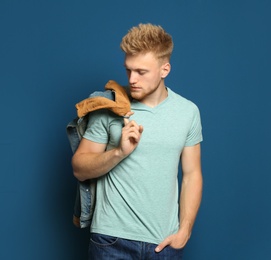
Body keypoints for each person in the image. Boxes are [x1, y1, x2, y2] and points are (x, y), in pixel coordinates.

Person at [72, 23, 203, 259]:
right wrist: (119, 152)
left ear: (165, 69)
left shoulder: (188, 112)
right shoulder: (111, 106)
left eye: (141, 72)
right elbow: (79, 168)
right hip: (111, 241)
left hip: (164, 244)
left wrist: (185, 230)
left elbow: (192, 174)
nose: (132, 79)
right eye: (128, 70)